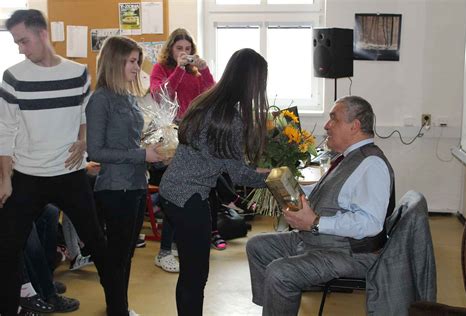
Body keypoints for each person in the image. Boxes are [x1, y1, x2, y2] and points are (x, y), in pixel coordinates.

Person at [0, 9, 110, 315]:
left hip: (69, 174)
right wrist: (5, 177)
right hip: (26, 176)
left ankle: (118, 306)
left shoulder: (77, 73)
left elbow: (87, 114)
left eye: (24, 41)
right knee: (8, 250)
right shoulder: (13, 77)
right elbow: (5, 128)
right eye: (16, 43)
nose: (20, 48)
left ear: (43, 35)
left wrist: (85, 140)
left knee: (98, 245)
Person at [246, 95, 396, 316]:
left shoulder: (371, 164)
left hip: (350, 253)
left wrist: (315, 223)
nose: (327, 125)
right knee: (258, 246)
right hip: (323, 241)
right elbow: (328, 194)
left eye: (334, 119)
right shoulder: (349, 158)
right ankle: (272, 308)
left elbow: (370, 223)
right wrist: (284, 188)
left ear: (354, 126)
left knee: (280, 272)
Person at [159, 48, 271, 315]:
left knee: (189, 274)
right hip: (188, 198)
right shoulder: (227, 118)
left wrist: (256, 172)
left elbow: (223, 163)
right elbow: (238, 174)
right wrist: (273, 179)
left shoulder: (207, 101)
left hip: (174, 191)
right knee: (195, 276)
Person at [86, 35, 164, 316]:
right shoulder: (100, 100)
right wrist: (142, 155)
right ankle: (117, 308)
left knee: (127, 253)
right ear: (115, 61)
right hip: (115, 188)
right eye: (132, 61)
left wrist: (152, 145)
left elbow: (128, 141)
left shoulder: (128, 97)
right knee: (117, 256)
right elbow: (95, 151)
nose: (136, 67)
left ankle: (119, 306)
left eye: (138, 61)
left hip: (134, 184)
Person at [150, 28, 215, 121]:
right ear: (170, 49)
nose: (183, 52)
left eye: (187, 49)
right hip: (170, 123)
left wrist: (205, 71)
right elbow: (159, 96)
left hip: (194, 121)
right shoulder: (160, 68)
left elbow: (211, 94)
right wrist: (179, 70)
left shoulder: (195, 71)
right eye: (179, 48)